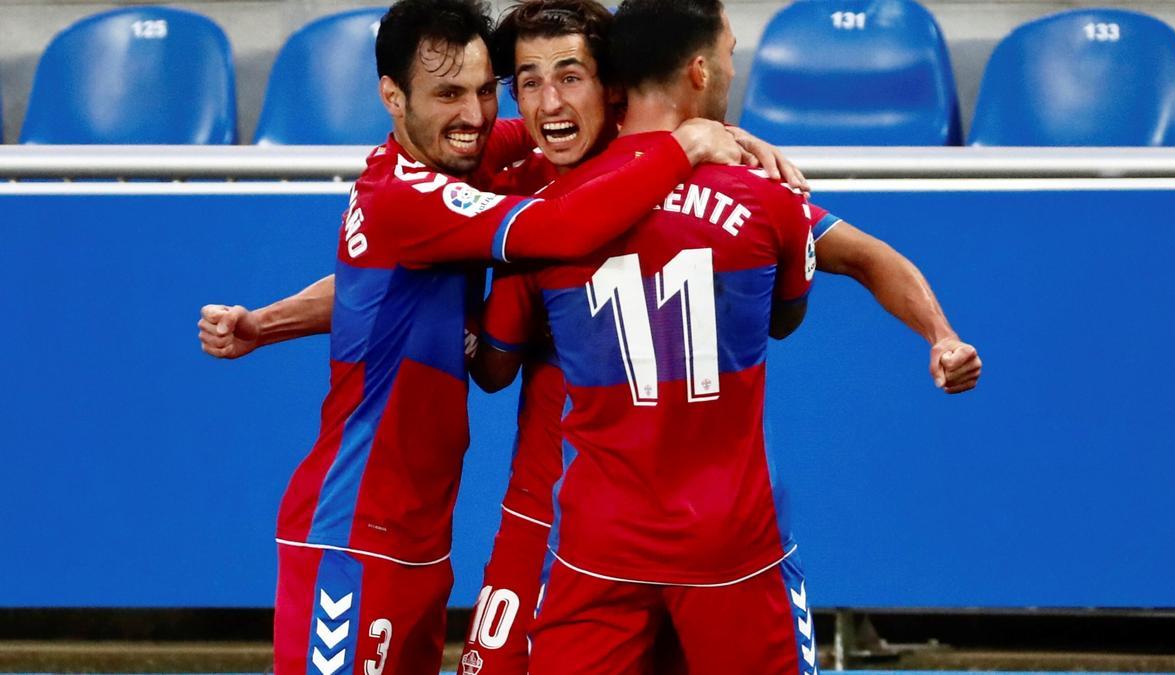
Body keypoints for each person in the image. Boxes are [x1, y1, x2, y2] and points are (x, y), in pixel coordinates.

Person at [220, 0, 751, 672]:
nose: (473, 116)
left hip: (419, 541)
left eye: (481, 91)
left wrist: (263, 323)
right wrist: (685, 146)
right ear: (392, 97)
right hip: (354, 534)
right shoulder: (407, 195)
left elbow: (371, 291)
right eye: (448, 94)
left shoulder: (453, 159)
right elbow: (562, 229)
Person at [471, 1, 976, 673]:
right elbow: (787, 314)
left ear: (612, 82)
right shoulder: (758, 193)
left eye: (568, 76)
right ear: (702, 68)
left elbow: (493, 362)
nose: (548, 100)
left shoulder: (538, 219)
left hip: (596, 532)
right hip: (694, 529)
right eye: (527, 82)